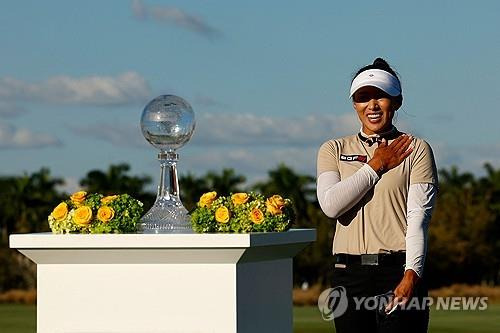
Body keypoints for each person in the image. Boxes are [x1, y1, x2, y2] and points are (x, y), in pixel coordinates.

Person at [316, 58, 438, 333]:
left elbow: (418, 219)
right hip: (348, 274)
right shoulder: (333, 149)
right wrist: (375, 165)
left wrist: (411, 275)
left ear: (396, 101)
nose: (372, 105)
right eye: (363, 97)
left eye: (380, 96)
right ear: (354, 104)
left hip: (397, 270)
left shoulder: (416, 149)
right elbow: (331, 206)